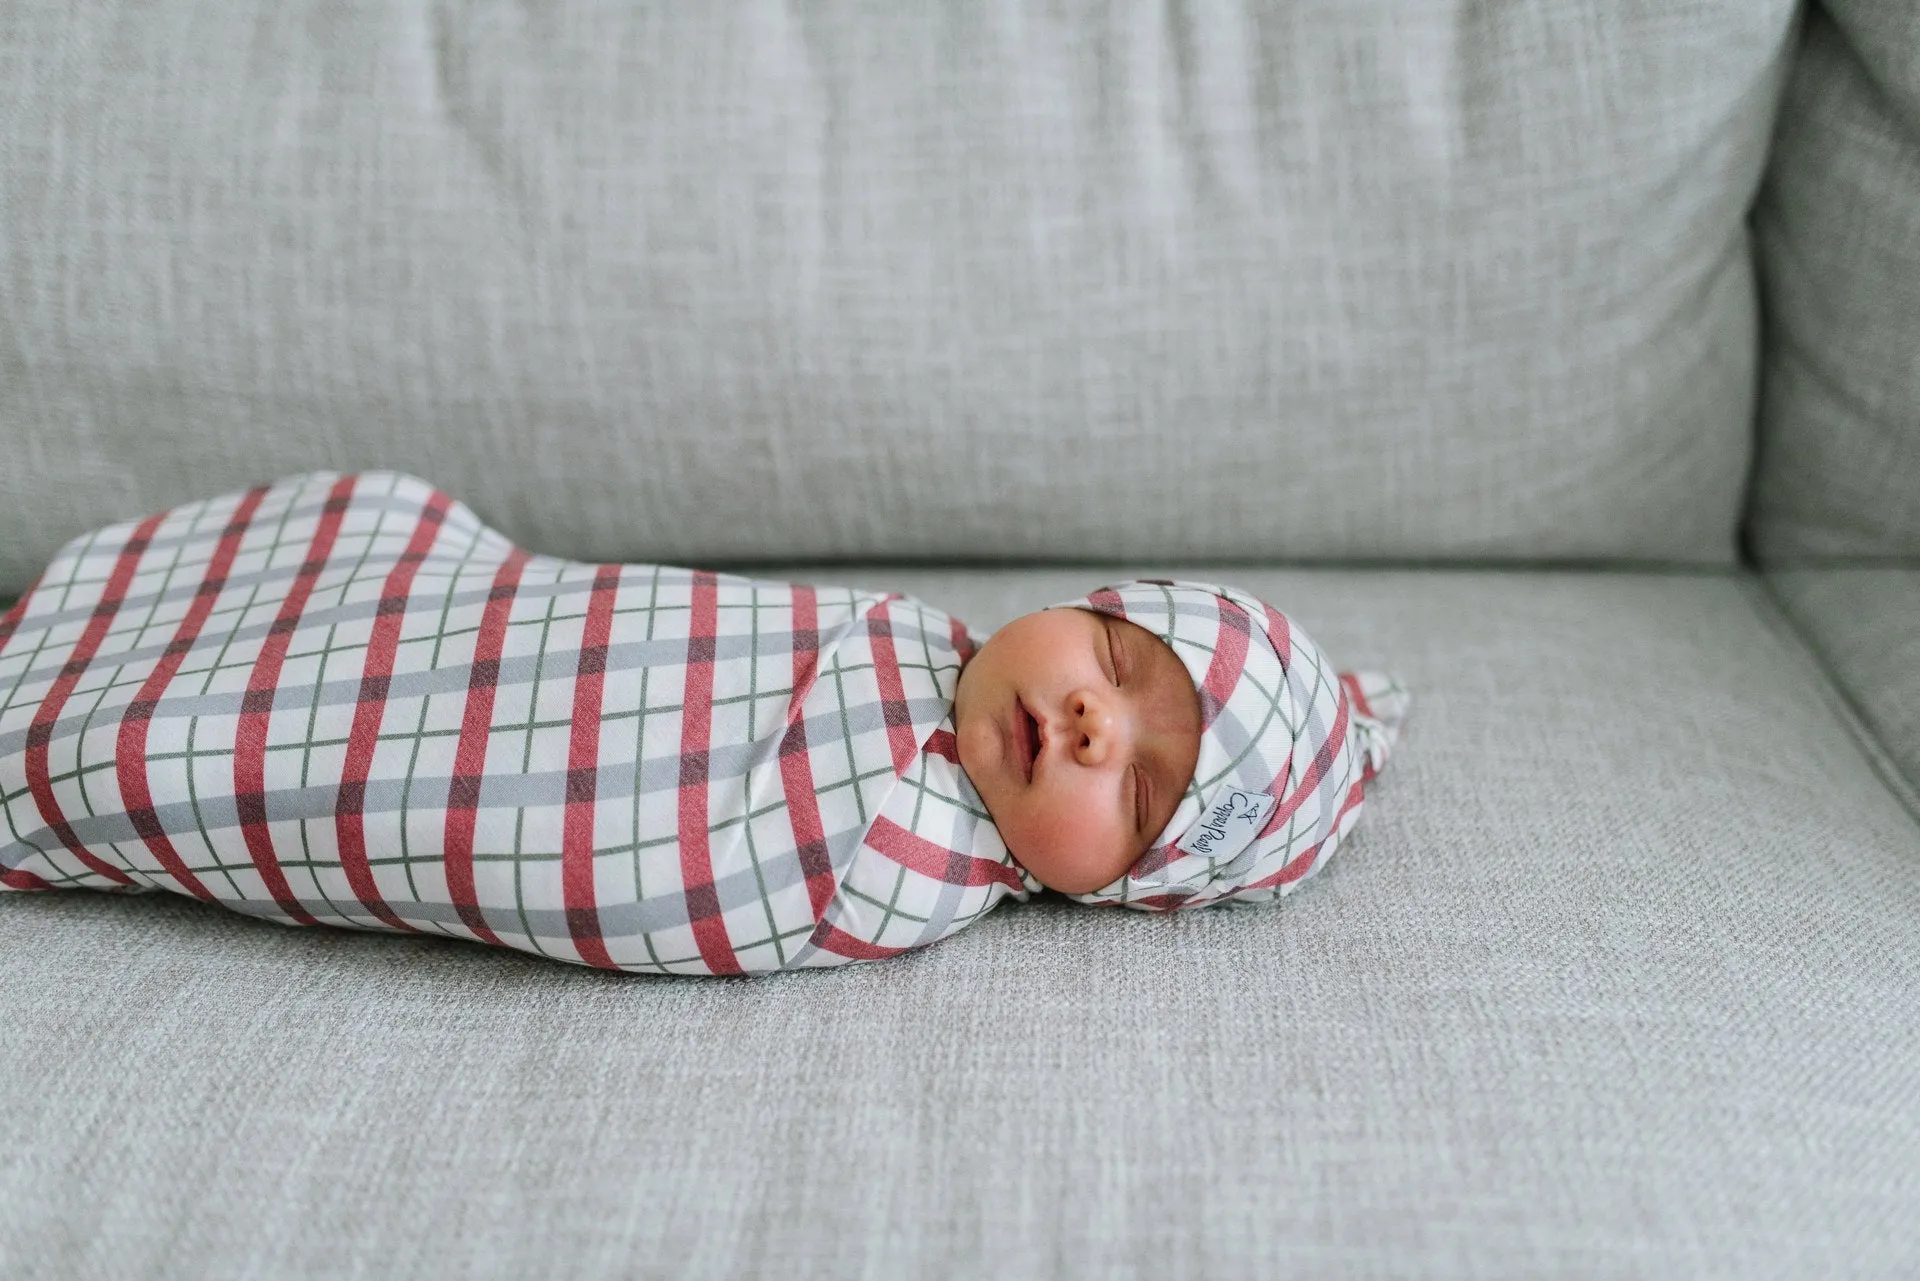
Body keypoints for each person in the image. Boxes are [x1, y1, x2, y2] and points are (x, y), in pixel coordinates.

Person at [0, 471, 1406, 974]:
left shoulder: (898, 858)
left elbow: (650, 868)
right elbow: (630, 628)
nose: (1096, 720)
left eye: (1146, 796)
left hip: (480, 764)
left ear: (1124, 891)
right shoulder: (905, 646)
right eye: (1113, 651)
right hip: (482, 615)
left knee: (262, 740)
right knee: (389, 566)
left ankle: (76, 732)